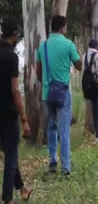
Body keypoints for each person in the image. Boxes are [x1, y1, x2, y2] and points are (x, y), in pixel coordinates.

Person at [36, 15, 82, 175]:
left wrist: (46, 84)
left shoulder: (43, 46)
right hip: (63, 93)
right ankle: (66, 167)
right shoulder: (68, 44)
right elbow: (79, 66)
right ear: (62, 27)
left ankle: (53, 162)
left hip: (47, 94)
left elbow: (38, 70)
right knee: (64, 131)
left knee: (51, 128)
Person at [0, 17, 33, 204]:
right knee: (11, 156)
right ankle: (7, 199)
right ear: (15, 35)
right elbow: (15, 90)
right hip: (9, 112)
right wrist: (24, 118)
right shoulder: (11, 57)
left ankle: (22, 189)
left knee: (10, 153)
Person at [82, 39, 98, 141]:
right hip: (97, 86)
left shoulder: (84, 56)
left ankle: (97, 132)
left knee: (94, 110)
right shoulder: (97, 56)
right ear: (96, 47)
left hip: (88, 87)